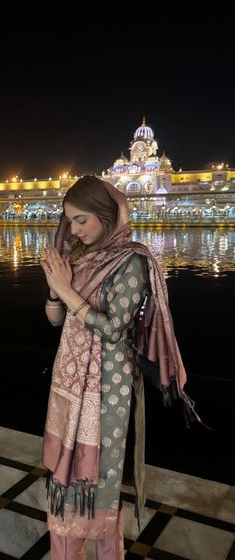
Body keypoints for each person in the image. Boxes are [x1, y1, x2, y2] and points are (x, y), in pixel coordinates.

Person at [40, 176, 199, 560]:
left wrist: (66, 291)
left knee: (100, 476)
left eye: (81, 220)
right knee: (65, 469)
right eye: (70, 221)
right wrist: (53, 289)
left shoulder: (131, 261)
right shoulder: (78, 255)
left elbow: (114, 329)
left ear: (108, 215)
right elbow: (55, 320)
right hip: (69, 377)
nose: (74, 229)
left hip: (107, 384)